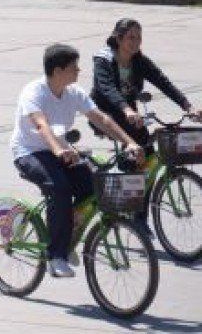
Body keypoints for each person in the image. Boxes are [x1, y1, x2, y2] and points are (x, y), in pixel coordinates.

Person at [11, 44, 142, 279]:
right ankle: (56, 256)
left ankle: (67, 237)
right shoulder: (34, 93)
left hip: (60, 150)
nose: (79, 71)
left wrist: (128, 142)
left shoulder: (73, 93)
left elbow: (101, 118)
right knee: (59, 187)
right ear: (58, 70)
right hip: (29, 152)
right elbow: (42, 126)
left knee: (91, 186)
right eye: (74, 67)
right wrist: (59, 150)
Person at [91, 18, 200, 230]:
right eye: (131, 37)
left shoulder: (139, 60)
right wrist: (127, 109)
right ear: (118, 38)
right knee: (134, 157)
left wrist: (188, 107)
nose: (136, 42)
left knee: (148, 157)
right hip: (104, 115)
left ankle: (139, 217)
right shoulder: (103, 59)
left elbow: (163, 82)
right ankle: (119, 201)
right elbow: (107, 90)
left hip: (130, 114)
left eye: (139, 37)